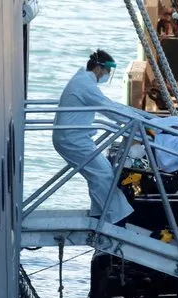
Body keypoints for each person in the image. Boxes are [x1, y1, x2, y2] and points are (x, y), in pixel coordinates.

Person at [53, 49, 145, 227]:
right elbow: (107, 109)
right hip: (73, 140)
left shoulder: (83, 82)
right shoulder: (85, 85)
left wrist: (138, 116)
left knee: (98, 174)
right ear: (99, 69)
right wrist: (138, 124)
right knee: (102, 174)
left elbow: (109, 104)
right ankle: (116, 220)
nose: (107, 76)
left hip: (75, 138)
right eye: (107, 72)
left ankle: (100, 214)